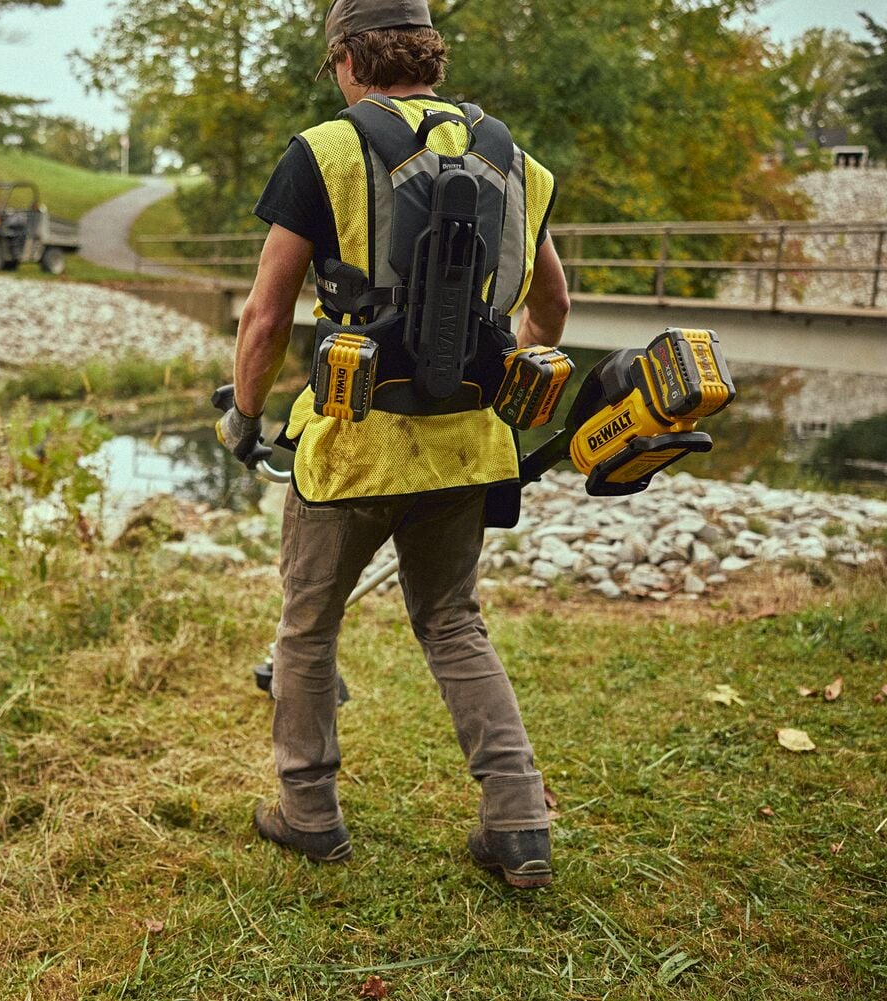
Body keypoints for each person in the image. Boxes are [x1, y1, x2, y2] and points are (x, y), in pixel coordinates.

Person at [216, 0, 571, 888]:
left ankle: (309, 814)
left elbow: (265, 314)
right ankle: (519, 820)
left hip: (351, 445)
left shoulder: (325, 150)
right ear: (428, 52)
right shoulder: (511, 157)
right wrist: (503, 376)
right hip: (467, 444)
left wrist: (244, 417)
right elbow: (554, 307)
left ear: (346, 59)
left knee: (307, 627)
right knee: (453, 621)